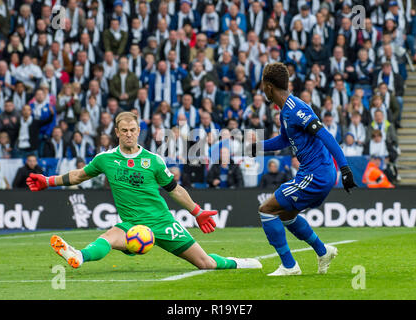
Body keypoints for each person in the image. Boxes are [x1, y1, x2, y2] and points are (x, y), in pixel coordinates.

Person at [26, 112, 261, 271]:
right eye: (124, 130)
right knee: (107, 238)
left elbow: (174, 189)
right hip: (132, 226)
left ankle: (238, 263)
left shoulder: (154, 161)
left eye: (132, 129)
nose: (128, 133)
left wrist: (197, 211)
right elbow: (78, 175)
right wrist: (47, 181)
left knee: (206, 264)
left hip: (161, 222)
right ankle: (78, 255)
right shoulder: (105, 159)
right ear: (116, 132)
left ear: (138, 131)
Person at [249, 62, 356, 276]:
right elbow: (283, 140)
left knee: (267, 210)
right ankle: (323, 251)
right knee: (287, 215)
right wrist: (256, 147)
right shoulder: (285, 111)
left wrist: (345, 168)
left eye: (263, 85)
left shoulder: (296, 109)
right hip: (315, 173)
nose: (262, 89)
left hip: (316, 175)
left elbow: (325, 135)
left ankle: (289, 266)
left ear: (268, 87)